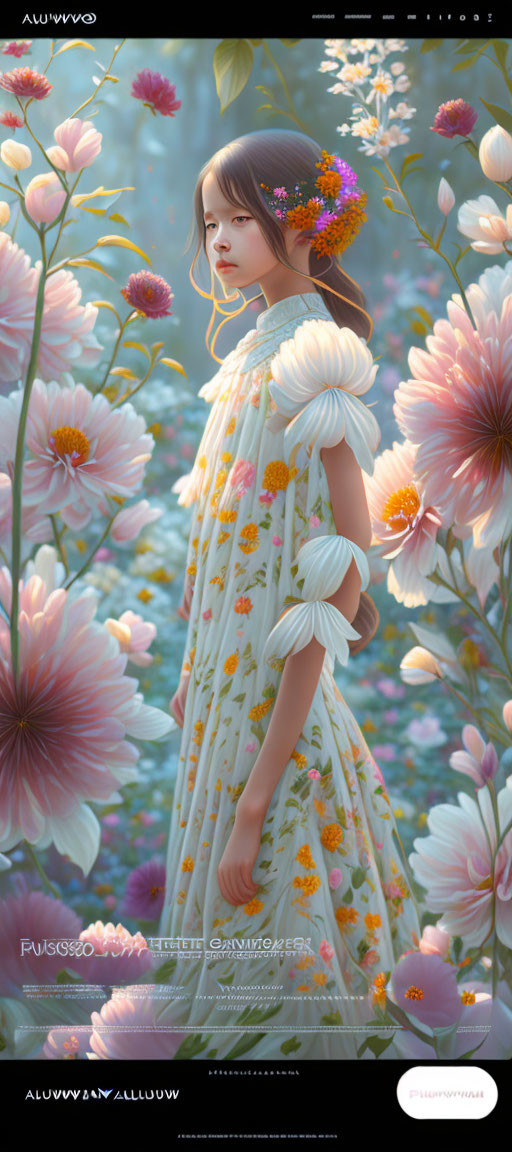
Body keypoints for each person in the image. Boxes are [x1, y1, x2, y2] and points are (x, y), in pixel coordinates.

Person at [156, 129, 422, 1060]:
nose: (219, 240)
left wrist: (255, 800)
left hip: (279, 732)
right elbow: (233, 551)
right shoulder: (248, 362)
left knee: (283, 999)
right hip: (230, 709)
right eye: (210, 222)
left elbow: (343, 574)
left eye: (241, 217)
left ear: (301, 222)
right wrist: (201, 671)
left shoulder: (313, 360)